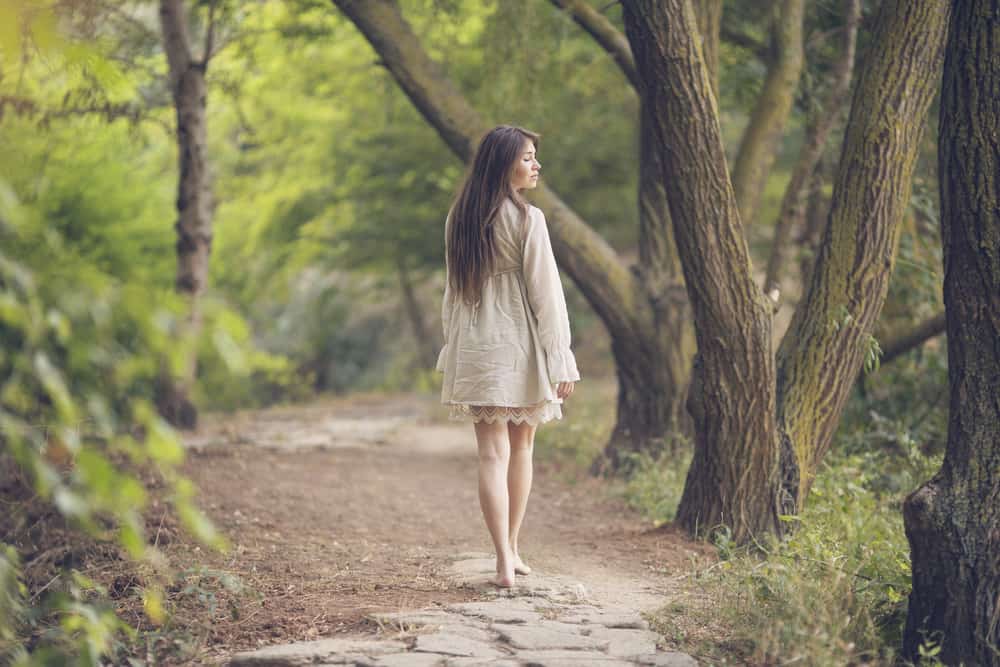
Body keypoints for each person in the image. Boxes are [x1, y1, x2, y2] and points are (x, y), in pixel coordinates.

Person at [436, 125, 580, 588]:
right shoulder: (527, 218)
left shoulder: (459, 217)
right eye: (528, 157)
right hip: (519, 344)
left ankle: (502, 557)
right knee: (521, 448)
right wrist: (561, 359)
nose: (536, 165)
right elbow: (547, 295)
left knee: (490, 456)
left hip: (476, 345)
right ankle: (513, 551)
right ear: (505, 163)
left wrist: (451, 348)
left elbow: (451, 296)